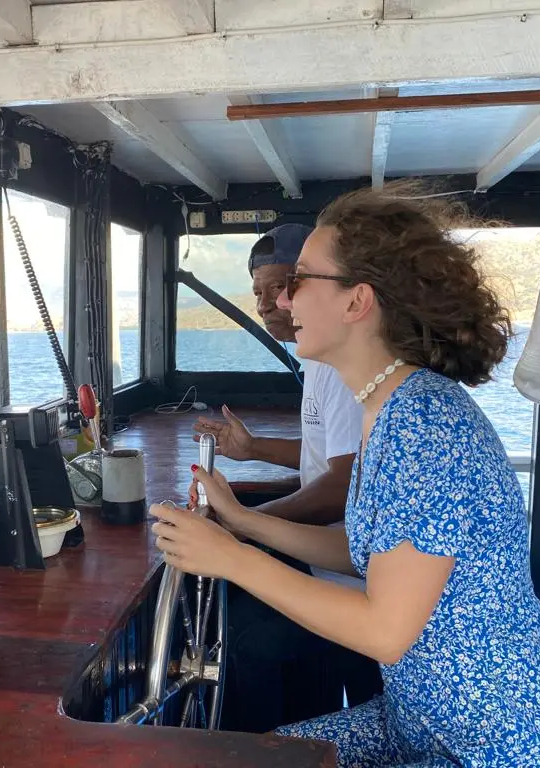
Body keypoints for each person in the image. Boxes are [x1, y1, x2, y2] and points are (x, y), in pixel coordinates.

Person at [154, 184, 540, 767]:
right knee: (255, 757)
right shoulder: (390, 407)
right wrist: (242, 522)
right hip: (422, 719)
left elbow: (386, 632)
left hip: (499, 739)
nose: (285, 300)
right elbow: (367, 552)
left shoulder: (423, 421)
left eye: (300, 280)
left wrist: (231, 558)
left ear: (356, 301)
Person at [192, 223, 382, 733]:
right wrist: (252, 452)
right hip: (344, 568)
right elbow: (332, 460)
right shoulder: (324, 362)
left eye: (288, 286)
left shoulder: (355, 377)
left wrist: (240, 524)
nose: (272, 303)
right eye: (261, 292)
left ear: (355, 298)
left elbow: (343, 486)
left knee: (241, 635)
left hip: (359, 594)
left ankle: (267, 746)